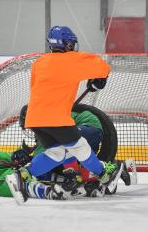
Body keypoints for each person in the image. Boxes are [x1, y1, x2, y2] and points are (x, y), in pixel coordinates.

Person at [7, 25, 126, 204]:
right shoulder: (74, 60)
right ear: (67, 45)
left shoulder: (40, 62)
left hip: (35, 118)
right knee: (81, 147)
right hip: (57, 118)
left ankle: (22, 175)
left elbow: (38, 87)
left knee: (57, 154)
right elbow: (103, 68)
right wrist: (97, 79)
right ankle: (103, 174)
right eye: (71, 43)